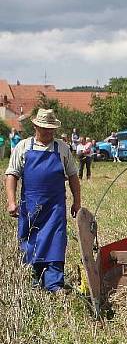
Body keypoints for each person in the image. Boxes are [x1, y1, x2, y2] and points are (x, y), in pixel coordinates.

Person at [5, 108, 81, 292]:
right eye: (44, 128)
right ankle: (34, 278)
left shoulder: (62, 148)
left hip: (55, 206)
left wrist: (77, 201)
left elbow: (72, 176)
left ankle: (54, 283)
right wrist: (11, 201)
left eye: (51, 129)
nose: (48, 132)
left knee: (56, 240)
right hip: (30, 205)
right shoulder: (23, 147)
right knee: (31, 241)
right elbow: (11, 175)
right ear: (35, 126)